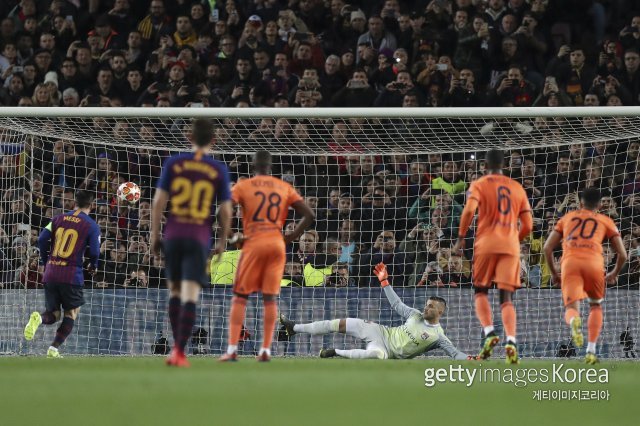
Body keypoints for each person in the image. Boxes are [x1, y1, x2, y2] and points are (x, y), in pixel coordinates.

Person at [151, 119, 232, 368]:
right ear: (214, 140)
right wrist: (222, 240)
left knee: (174, 292)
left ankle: (175, 351)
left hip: (174, 235)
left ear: (188, 137)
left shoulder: (174, 163)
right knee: (190, 295)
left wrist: (155, 236)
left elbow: (158, 203)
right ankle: (179, 351)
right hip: (199, 238)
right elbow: (226, 210)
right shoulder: (218, 168)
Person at [220, 150, 314, 362]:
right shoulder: (284, 187)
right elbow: (309, 215)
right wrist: (290, 237)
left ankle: (232, 349)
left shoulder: (244, 186)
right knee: (269, 298)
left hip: (253, 242)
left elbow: (222, 211)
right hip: (276, 244)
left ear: (253, 166)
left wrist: (233, 237)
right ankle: (265, 351)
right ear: (271, 167)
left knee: (241, 297)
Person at [279, 262, 475, 360]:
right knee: (339, 323)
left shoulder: (438, 337)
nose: (426, 307)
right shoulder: (415, 314)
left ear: (440, 312)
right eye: (426, 304)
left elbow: (455, 354)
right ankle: (293, 327)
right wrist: (384, 282)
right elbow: (397, 305)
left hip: (387, 351)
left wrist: (471, 358)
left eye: (431, 306)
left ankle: (334, 352)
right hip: (381, 331)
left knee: (375, 356)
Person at [453, 149, 533, 364]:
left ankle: (489, 332)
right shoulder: (517, 187)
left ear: (485, 166)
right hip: (509, 246)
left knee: (481, 290)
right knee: (506, 298)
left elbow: (469, 211)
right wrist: (516, 238)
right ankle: (512, 341)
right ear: (504, 165)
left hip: (486, 243)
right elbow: (528, 224)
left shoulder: (479, 184)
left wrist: (461, 237)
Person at [543, 188, 627, 365]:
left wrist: (554, 273)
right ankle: (590, 350)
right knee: (595, 306)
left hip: (570, 263)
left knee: (572, 307)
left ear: (580, 203)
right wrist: (614, 273)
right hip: (594, 263)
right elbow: (623, 254)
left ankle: (574, 321)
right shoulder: (606, 220)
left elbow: (547, 248)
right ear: (598, 205)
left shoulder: (567, 218)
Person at [23, 190, 100, 358]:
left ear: (74, 203)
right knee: (71, 313)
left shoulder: (57, 218)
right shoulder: (91, 225)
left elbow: (42, 238)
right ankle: (54, 348)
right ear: (92, 205)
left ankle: (39, 319)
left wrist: (46, 261)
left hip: (50, 272)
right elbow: (94, 251)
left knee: (54, 313)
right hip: (71, 274)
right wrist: (93, 265)